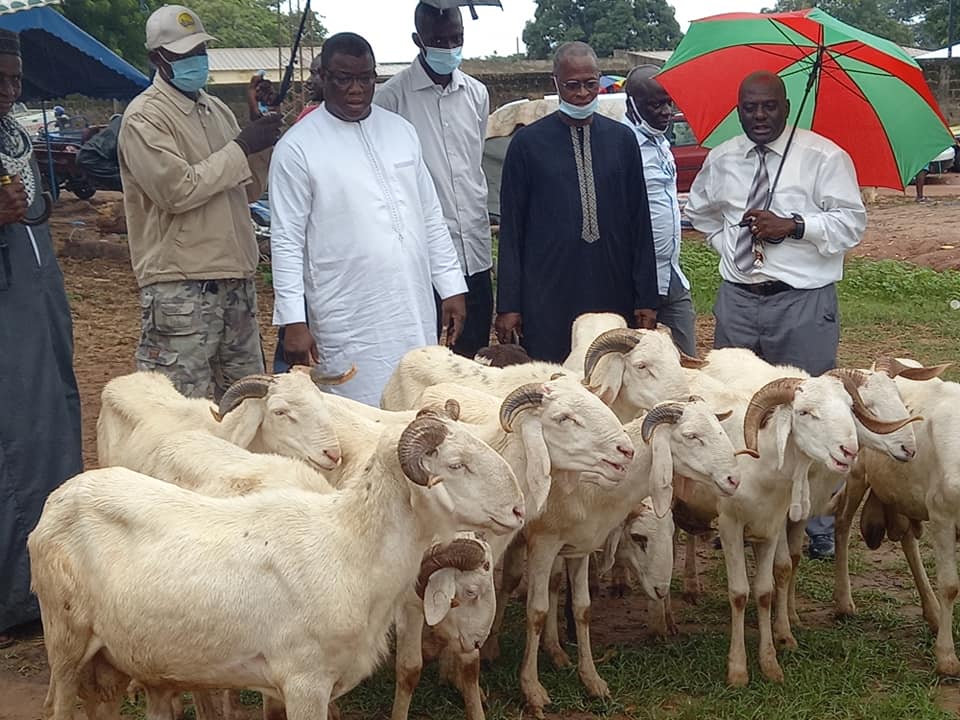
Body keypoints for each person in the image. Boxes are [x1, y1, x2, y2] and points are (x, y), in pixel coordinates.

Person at [685, 71, 866, 560]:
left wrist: (795, 225)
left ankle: (816, 519)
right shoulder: (723, 158)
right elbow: (700, 211)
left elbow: (852, 224)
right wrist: (730, 243)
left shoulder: (823, 156)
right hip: (740, 299)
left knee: (812, 407)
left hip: (801, 301)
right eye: (750, 108)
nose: (759, 116)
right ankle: (745, 506)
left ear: (787, 107)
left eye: (768, 107)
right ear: (739, 109)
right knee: (741, 404)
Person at [269, 32, 467, 407]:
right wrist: (293, 320)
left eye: (366, 78)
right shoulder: (296, 148)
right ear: (322, 78)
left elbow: (429, 215)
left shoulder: (401, 132)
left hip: (412, 304)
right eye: (344, 79)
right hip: (348, 313)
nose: (356, 89)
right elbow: (287, 241)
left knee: (418, 402)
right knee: (358, 415)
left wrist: (451, 285)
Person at [119, 4, 283, 399]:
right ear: (158, 58)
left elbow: (247, 191)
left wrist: (258, 134)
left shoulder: (216, 109)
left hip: (235, 284)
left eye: (200, 51)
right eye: (184, 54)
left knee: (246, 407)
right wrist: (243, 145)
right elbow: (177, 190)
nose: (197, 61)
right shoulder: (144, 118)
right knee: (184, 415)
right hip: (181, 289)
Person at [495, 41, 658, 363]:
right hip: (548, 292)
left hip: (613, 286)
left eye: (590, 84)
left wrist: (647, 298)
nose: (583, 94)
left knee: (611, 372)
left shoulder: (622, 140)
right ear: (555, 83)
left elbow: (640, 223)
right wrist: (509, 305)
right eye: (572, 85)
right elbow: (512, 230)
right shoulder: (528, 144)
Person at [0, 28, 83, 646]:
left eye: (16, 80)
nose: (8, 91)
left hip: (39, 295)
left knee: (51, 419)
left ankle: (49, 582)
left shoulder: (19, 138)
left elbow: (35, 207)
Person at [374, 2, 493, 358]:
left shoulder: (476, 94)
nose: (448, 48)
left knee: (473, 356)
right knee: (425, 357)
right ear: (418, 40)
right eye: (438, 40)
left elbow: (474, 167)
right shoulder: (390, 100)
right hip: (423, 258)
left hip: (475, 251)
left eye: (456, 39)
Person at [622, 65, 697, 356]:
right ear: (632, 104)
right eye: (655, 104)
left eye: (669, 102)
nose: (666, 111)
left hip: (671, 272)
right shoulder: (621, 145)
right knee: (640, 365)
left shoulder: (662, 142)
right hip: (635, 280)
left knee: (687, 360)